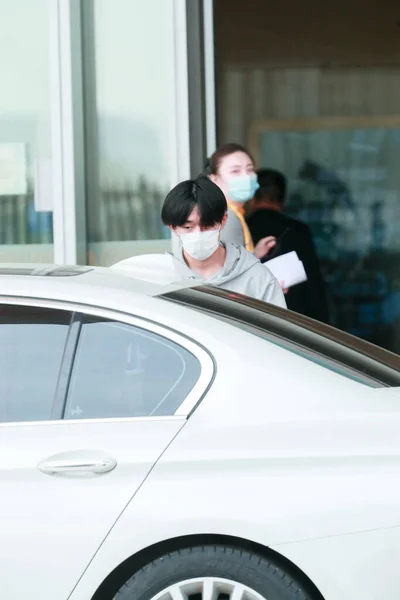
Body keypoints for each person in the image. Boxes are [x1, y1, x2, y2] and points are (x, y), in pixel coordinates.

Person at [161, 175, 286, 308]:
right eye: (188, 227)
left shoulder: (257, 278)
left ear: (223, 220)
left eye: (207, 225)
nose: (198, 234)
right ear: (173, 228)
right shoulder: (162, 278)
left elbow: (277, 328)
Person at [246, 168, 329, 323]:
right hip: (294, 322)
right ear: (282, 200)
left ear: (251, 198)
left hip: (251, 320)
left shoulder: (242, 228)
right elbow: (314, 288)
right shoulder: (299, 231)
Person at [205, 143, 276, 260]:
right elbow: (232, 273)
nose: (246, 176)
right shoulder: (226, 217)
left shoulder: (234, 213)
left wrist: (255, 254)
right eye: (235, 171)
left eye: (250, 169)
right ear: (215, 179)